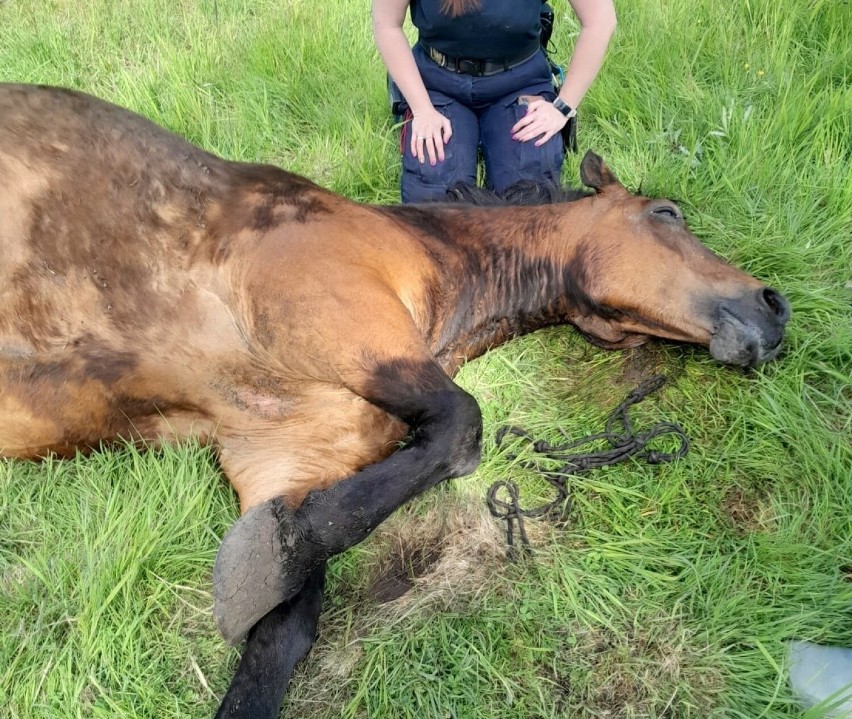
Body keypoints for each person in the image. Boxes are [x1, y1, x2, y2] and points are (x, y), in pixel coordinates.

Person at [372, 0, 617, 203]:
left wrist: (562, 107)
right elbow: (387, 25)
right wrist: (422, 109)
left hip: (519, 81)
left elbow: (599, 20)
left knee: (530, 199)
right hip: (437, 83)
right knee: (433, 198)